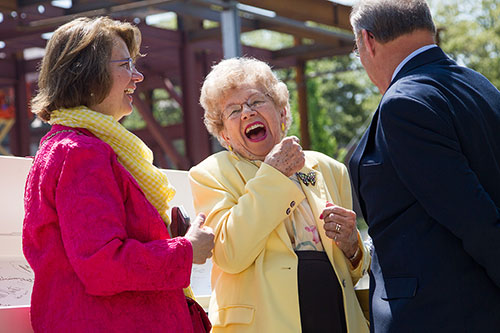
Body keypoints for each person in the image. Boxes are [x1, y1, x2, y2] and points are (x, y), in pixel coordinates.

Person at [23, 16, 214, 332]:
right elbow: (103, 265)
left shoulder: (68, 147)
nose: (137, 76)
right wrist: (186, 250)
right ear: (86, 73)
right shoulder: (81, 153)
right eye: (125, 64)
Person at [348, 0, 500, 331]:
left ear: (368, 41)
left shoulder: (403, 103)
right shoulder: (483, 87)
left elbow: (473, 217)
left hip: (437, 315)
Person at [188, 57, 370, 332]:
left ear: (283, 113)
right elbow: (230, 254)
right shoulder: (210, 173)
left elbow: (354, 271)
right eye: (233, 110)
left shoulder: (330, 169)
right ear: (224, 135)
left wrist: (352, 246)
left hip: (335, 319)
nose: (247, 113)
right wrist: (273, 175)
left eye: (256, 102)